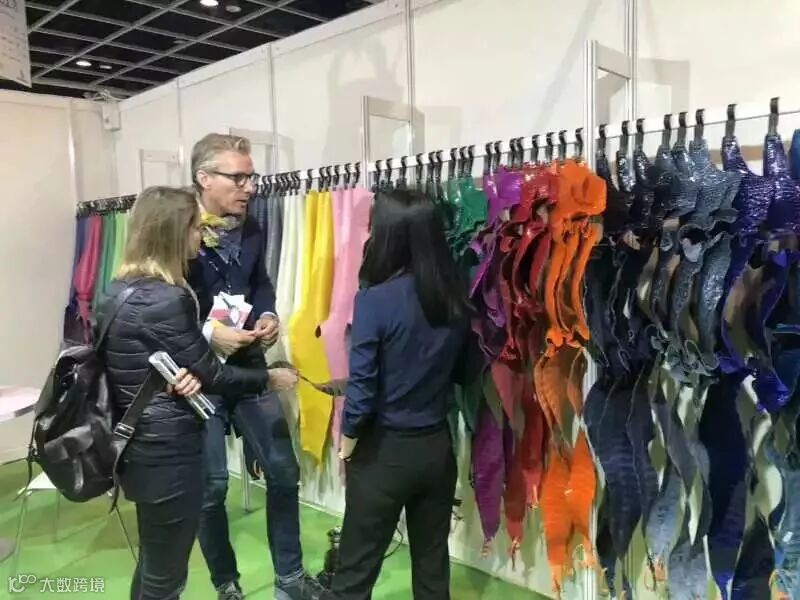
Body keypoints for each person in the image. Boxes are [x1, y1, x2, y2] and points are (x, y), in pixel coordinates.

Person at [97, 186, 299, 600]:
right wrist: (269, 379)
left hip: (138, 444)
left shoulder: (117, 290)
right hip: (167, 448)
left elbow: (134, 362)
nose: (200, 236)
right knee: (166, 576)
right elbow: (213, 374)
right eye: (194, 228)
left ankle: (286, 580)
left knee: (154, 561)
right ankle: (226, 582)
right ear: (173, 232)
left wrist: (174, 374)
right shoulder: (168, 297)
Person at [188, 133, 324, 600]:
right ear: (204, 178)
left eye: (251, 177)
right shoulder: (177, 228)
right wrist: (208, 332)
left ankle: (290, 579)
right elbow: (162, 307)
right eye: (238, 177)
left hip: (249, 365)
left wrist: (267, 314)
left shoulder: (251, 226)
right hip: (197, 376)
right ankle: (225, 583)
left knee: (284, 472)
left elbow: (260, 282)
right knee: (211, 487)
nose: (250, 187)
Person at [326, 188, 477, 600]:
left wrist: (348, 440)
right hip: (436, 450)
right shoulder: (454, 295)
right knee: (432, 569)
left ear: (387, 235)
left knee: (354, 574)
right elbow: (466, 372)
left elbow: (363, 387)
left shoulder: (374, 300)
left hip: (384, 453)